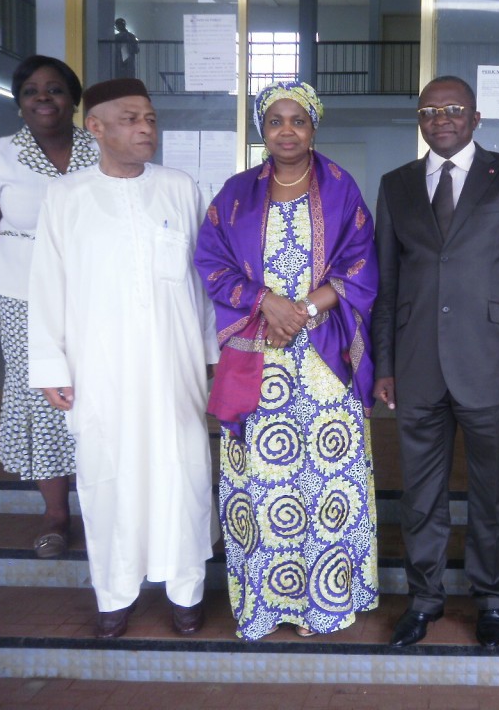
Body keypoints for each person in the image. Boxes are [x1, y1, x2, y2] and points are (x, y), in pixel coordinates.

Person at [28, 78, 218, 639]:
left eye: (152, 119)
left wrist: (210, 356)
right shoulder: (67, 197)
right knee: (107, 474)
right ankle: (115, 593)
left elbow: (201, 284)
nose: (146, 129)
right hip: (101, 366)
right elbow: (47, 286)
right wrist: (51, 367)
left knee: (182, 470)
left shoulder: (181, 188)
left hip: (175, 363)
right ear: (97, 128)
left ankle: (186, 590)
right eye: (132, 119)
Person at [195, 80, 379, 641]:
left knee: (329, 480)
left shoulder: (342, 188)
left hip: (323, 359)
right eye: (275, 121)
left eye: (297, 120)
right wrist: (266, 304)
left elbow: (361, 264)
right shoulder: (233, 195)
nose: (286, 131)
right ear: (261, 130)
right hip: (260, 358)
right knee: (265, 481)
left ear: (314, 127)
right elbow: (211, 261)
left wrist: (301, 310)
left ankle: (327, 600)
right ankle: (268, 602)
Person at [372, 75, 499, 648]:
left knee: (493, 494)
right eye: (430, 110)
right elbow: (385, 283)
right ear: (420, 121)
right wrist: (384, 364)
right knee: (419, 496)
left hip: (495, 364)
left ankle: (493, 599)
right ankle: (423, 599)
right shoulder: (396, 185)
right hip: (417, 362)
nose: (441, 118)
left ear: (476, 118)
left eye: (454, 109)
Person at [0, 55, 99, 559]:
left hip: (96, 293)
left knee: (98, 391)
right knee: (44, 397)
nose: (44, 98)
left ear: (73, 99)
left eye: (55, 89)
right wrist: (36, 266)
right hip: (24, 296)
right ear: (19, 104)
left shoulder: (100, 147)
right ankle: (57, 515)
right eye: (31, 91)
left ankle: (104, 504)